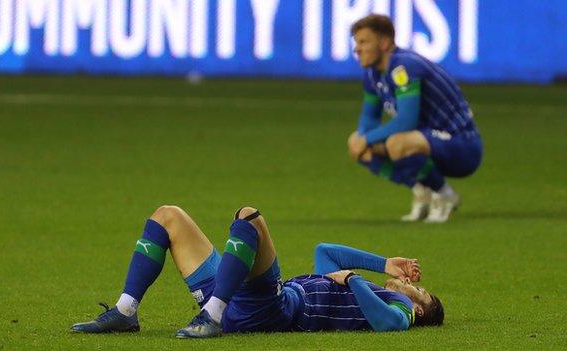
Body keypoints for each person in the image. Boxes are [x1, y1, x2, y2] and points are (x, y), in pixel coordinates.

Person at [71, 205, 444, 337]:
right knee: (167, 216)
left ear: (420, 309)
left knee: (250, 217)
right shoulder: (357, 287)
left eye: (422, 292)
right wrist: (383, 264)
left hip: (277, 307)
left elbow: (386, 323)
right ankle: (125, 310)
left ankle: (213, 314)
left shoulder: (399, 308)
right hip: (243, 298)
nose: (415, 286)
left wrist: (352, 278)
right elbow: (324, 251)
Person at [347, 14, 483, 223]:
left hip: (462, 146)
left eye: (364, 42)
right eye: (356, 42)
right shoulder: (372, 74)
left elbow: (406, 122)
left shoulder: (404, 67)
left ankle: (445, 195)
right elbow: (369, 120)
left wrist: (367, 138)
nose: (357, 49)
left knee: (397, 142)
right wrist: (361, 139)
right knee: (359, 144)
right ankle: (422, 190)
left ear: (384, 43)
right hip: (425, 141)